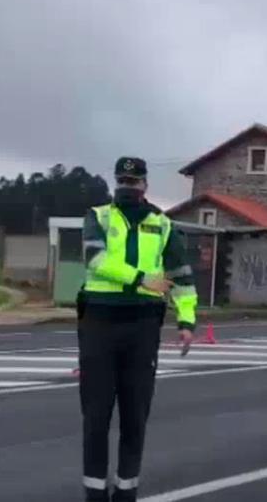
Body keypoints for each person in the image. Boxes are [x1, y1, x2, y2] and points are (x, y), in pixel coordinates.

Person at [78, 156, 197, 502]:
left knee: (135, 416)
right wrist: (142, 280)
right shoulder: (97, 216)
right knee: (96, 417)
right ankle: (95, 494)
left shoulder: (163, 224)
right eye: (123, 182)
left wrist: (187, 320)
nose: (128, 187)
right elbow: (96, 261)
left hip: (143, 326)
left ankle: (126, 492)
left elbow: (182, 277)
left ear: (145, 185)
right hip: (99, 322)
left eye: (134, 182)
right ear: (116, 183)